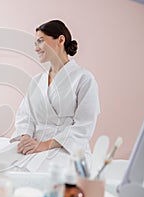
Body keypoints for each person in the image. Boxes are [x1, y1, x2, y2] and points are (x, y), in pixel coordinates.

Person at [11, 20, 100, 172]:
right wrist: (25, 137)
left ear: (60, 40)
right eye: (35, 43)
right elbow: (25, 115)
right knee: (3, 168)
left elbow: (83, 127)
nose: (36, 48)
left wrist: (45, 145)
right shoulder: (37, 81)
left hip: (67, 150)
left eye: (40, 41)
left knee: (45, 177)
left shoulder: (84, 79)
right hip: (34, 145)